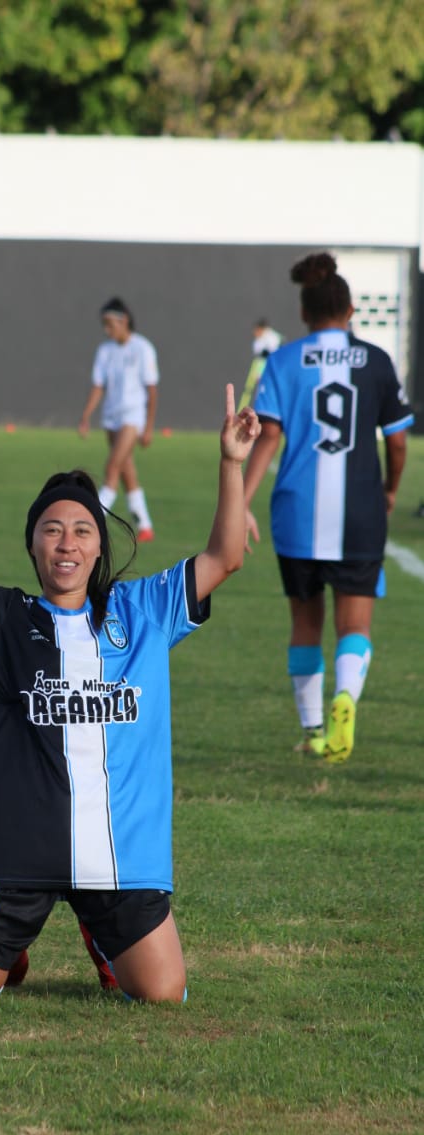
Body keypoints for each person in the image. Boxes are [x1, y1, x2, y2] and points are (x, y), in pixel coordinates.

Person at [0, 384, 261, 1003]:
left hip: (121, 858)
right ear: (32, 545)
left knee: (161, 997)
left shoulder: (144, 610)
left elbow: (225, 556)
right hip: (19, 851)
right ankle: (10, 945)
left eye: (82, 530)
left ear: (101, 545)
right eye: (52, 530)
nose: (68, 543)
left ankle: (99, 931)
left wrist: (232, 464)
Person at [243, 253, 412, 763]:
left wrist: (241, 501)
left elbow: (268, 435)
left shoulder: (285, 359)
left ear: (304, 312)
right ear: (352, 309)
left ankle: (314, 730)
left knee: (305, 623)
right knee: (354, 627)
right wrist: (388, 488)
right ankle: (346, 697)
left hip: (297, 513)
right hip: (361, 511)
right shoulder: (377, 361)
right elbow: (398, 441)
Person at [78, 298, 159, 542]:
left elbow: (152, 389)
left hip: (132, 417)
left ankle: (93, 520)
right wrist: (86, 416)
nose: (106, 330)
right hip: (111, 417)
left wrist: (148, 427)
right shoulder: (105, 351)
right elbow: (98, 386)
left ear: (123, 320)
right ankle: (145, 525)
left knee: (112, 466)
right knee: (126, 471)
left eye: (109, 323)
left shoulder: (143, 348)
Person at [238, 318, 284, 411]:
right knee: (250, 388)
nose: (255, 332)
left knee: (267, 387)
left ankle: (265, 410)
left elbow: (274, 350)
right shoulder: (259, 340)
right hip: (259, 364)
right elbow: (257, 351)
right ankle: (241, 410)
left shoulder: (272, 337)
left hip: (269, 365)